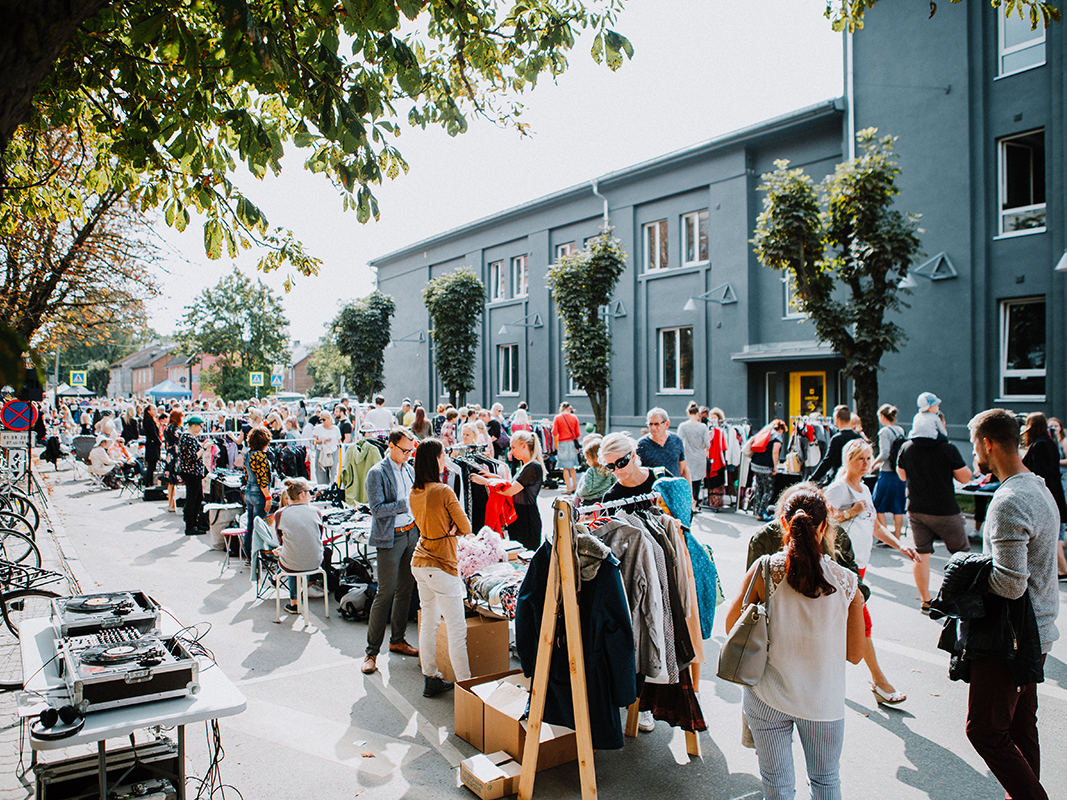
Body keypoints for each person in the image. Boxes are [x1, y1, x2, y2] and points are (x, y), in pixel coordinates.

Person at [725, 485, 865, 800]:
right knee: (826, 782)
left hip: (767, 695)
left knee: (777, 787)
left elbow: (731, 625)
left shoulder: (765, 570)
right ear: (826, 526)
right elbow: (855, 654)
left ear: (785, 525)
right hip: (823, 701)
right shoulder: (847, 582)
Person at [966, 408, 1059, 800]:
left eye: (975, 446)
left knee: (984, 731)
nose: (974, 455)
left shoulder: (1008, 501)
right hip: (1038, 631)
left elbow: (1009, 584)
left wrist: (965, 572)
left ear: (988, 443)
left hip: (1012, 638)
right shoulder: (1038, 486)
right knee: (1021, 729)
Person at [824, 439, 919, 705]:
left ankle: (822, 678)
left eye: (869, 458)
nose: (866, 464)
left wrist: (900, 544)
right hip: (842, 567)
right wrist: (848, 513)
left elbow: (875, 526)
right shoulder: (839, 488)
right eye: (860, 459)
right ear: (848, 460)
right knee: (860, 622)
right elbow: (822, 522)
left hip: (860, 566)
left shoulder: (864, 488)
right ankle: (879, 681)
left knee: (838, 624)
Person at [409, 438, 473, 697]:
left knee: (429, 623)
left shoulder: (415, 492)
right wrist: (455, 527)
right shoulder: (443, 490)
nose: (445, 458)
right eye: (443, 454)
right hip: (441, 565)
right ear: (435, 459)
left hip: (420, 562)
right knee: (457, 630)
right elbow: (467, 527)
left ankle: (431, 677)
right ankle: (467, 687)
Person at [896, 412, 972, 613]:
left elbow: (902, 475)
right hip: (945, 510)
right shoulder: (947, 448)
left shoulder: (907, 447)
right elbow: (965, 477)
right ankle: (957, 600)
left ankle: (926, 601)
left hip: (916, 510)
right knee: (961, 554)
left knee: (921, 555)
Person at [362, 428, 420, 675]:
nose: (408, 454)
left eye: (411, 450)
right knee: (385, 593)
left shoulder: (409, 468)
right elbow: (376, 509)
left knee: (406, 590)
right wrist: (407, 503)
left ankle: (398, 640)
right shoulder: (377, 472)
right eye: (405, 450)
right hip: (390, 537)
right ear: (391, 446)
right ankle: (371, 652)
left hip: (411, 533)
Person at [472, 430, 545, 551]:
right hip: (521, 517)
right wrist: (492, 477)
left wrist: (485, 481)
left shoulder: (532, 467)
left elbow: (510, 490)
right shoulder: (527, 466)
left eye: (513, 447)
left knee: (524, 554)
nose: (511, 452)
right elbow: (511, 485)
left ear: (524, 446)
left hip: (526, 519)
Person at [1020, 413, 1067, 581]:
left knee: (1052, 535)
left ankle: (1063, 569)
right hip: (1055, 489)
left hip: (1047, 492)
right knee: (1055, 532)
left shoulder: (1039, 445)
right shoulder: (1049, 443)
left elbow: (1038, 473)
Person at [273, 478, 325, 615]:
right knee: (300, 552)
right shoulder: (316, 511)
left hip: (291, 562)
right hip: (315, 562)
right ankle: (299, 596)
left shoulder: (280, 513)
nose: (310, 495)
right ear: (302, 494)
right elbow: (319, 536)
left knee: (292, 555)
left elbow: (281, 540)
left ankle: (293, 602)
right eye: (309, 492)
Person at [871, 403, 907, 540]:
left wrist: (874, 463)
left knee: (878, 505)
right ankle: (897, 537)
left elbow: (885, 453)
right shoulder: (900, 430)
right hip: (899, 473)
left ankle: (886, 537)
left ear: (881, 416)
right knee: (897, 507)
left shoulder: (884, 432)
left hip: (886, 473)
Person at [599, 432, 662, 503]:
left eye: (621, 462)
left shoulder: (660, 476)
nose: (617, 470)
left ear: (633, 455)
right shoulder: (610, 497)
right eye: (610, 466)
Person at [747, 419, 786, 521]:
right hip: (766, 467)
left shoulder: (765, 432)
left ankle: (756, 511)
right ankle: (760, 513)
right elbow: (775, 452)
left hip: (755, 464)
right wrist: (775, 467)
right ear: (781, 429)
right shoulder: (777, 437)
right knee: (768, 490)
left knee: (759, 488)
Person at [810, 405, 861, 484]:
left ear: (836, 419)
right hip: (855, 479)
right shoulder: (858, 437)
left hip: (838, 478)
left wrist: (812, 479)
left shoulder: (836, 438)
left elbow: (828, 461)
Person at [636, 407, 690, 480]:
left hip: (674, 488)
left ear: (667, 424)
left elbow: (683, 469)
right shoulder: (641, 445)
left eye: (656, 424)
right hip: (653, 489)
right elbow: (638, 473)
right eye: (650, 424)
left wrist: (689, 490)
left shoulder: (676, 440)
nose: (653, 428)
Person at [244, 426, 273, 558]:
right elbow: (263, 479)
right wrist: (268, 497)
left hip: (249, 491)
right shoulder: (260, 456)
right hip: (259, 494)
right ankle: (259, 555)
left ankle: (249, 554)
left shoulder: (248, 454)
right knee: (260, 526)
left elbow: (247, 475)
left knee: (250, 526)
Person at [177, 416, 209, 535]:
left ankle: (194, 523)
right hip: (191, 472)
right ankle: (190, 526)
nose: (201, 429)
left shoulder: (188, 437)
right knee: (193, 498)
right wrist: (205, 448)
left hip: (191, 472)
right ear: (194, 425)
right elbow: (193, 457)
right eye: (201, 426)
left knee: (197, 497)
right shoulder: (188, 437)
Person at [677, 401, 710, 512]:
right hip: (699, 457)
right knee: (697, 482)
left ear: (688, 413)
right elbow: (708, 444)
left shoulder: (683, 426)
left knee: (687, 480)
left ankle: (688, 502)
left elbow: (679, 441)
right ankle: (694, 504)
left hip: (687, 456)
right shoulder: (703, 427)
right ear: (698, 414)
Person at [552, 402, 581, 493]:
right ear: (569, 408)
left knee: (565, 468)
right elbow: (578, 433)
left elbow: (554, 432)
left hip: (562, 443)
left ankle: (568, 488)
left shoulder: (557, 418)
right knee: (572, 467)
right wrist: (578, 446)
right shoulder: (574, 417)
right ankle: (575, 487)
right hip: (572, 443)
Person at [575, 436, 615, 503]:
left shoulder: (591, 471)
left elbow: (587, 488)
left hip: (590, 501)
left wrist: (578, 494)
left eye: (588, 460)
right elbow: (615, 484)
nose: (587, 462)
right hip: (605, 500)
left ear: (594, 458)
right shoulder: (609, 469)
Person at [705, 407, 729, 511]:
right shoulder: (706, 431)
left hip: (718, 461)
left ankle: (717, 503)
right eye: (711, 418)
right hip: (710, 461)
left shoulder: (720, 431)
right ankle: (712, 502)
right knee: (711, 482)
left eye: (715, 418)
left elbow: (724, 447)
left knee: (717, 482)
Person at [312, 411, 341, 485]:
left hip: (333, 451)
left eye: (323, 419)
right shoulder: (318, 428)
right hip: (322, 451)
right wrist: (324, 441)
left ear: (329, 419)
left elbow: (339, 441)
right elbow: (314, 442)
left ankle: (332, 488)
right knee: (321, 472)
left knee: (333, 472)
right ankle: (322, 489)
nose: (322, 421)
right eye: (320, 420)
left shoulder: (335, 429)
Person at [163, 409, 183, 512]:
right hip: (175, 455)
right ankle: (174, 504)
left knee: (170, 481)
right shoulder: (175, 429)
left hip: (169, 454)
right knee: (176, 480)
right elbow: (181, 438)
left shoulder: (167, 428)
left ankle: (170, 503)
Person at [142, 404, 161, 489]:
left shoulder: (151, 420)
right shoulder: (149, 421)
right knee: (151, 465)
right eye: (153, 409)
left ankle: (149, 482)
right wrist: (159, 442)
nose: (155, 411)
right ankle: (148, 482)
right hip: (152, 445)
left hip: (152, 444)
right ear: (148, 411)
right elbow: (153, 433)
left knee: (152, 465)